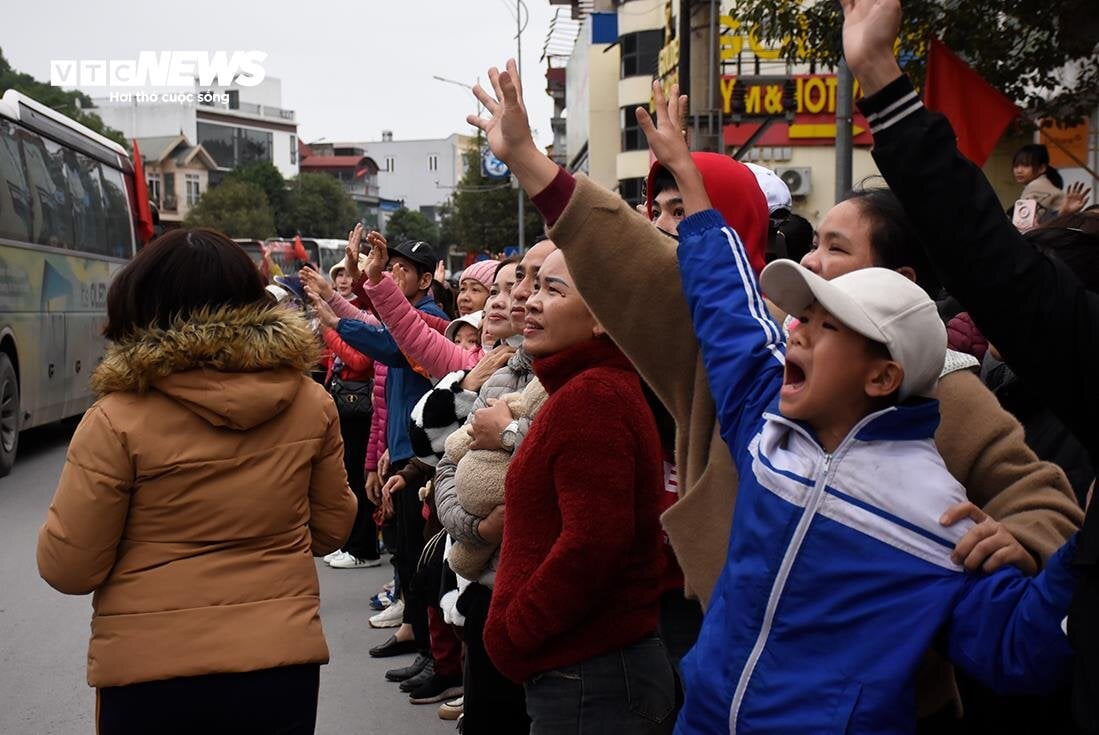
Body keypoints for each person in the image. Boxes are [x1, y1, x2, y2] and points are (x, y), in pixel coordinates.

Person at [467, 57, 1082, 720]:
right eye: (810, 257)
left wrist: (1032, 543)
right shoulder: (762, 402)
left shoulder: (932, 486)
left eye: (835, 255)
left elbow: (1023, 618)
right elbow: (703, 291)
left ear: (887, 368)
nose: (810, 270)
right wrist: (533, 160)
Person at [648, 99, 1078, 731]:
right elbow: (728, 309)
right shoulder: (765, 423)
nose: (797, 336)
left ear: (884, 376)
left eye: (829, 327)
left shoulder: (937, 519)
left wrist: (1079, 550)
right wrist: (690, 181)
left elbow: (1020, 649)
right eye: (805, 318)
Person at [837, 2, 1099, 728]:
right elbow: (995, 265)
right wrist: (881, 79)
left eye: (838, 252)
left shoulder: (952, 389)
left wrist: (1032, 541)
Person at [36, 229, 357, 735]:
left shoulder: (115, 418)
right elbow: (332, 529)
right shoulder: (309, 402)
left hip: (150, 673)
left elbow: (69, 567)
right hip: (278, 665)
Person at [483, 249, 676, 734]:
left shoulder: (595, 395)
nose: (529, 301)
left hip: (594, 675)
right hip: (587, 670)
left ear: (600, 319)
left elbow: (595, 542)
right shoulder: (583, 388)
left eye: (553, 290)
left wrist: (516, 630)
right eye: (534, 286)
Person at [336, 238, 448, 664]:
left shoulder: (430, 319)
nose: (394, 274)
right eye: (391, 266)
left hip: (422, 457)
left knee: (420, 557)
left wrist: (334, 314)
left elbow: (383, 341)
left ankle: (428, 648)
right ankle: (415, 636)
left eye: (405, 269)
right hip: (401, 449)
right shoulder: (406, 315)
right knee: (404, 550)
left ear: (427, 278)